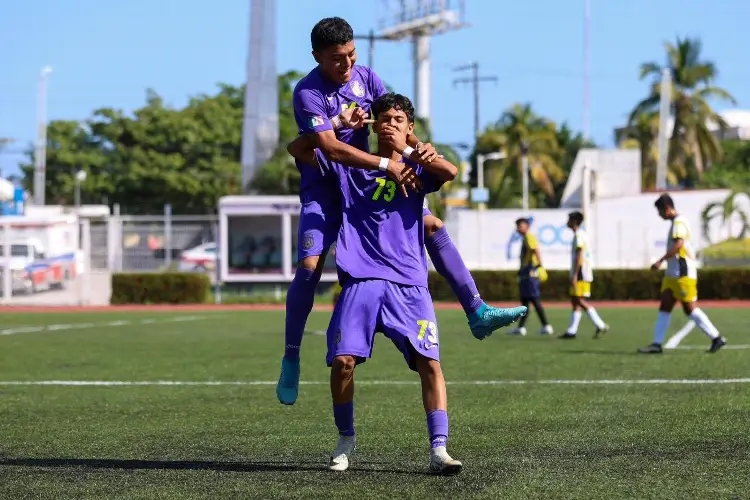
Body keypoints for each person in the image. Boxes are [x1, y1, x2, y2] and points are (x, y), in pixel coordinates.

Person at [277, 17, 525, 405]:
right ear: (317, 57)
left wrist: (418, 148)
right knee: (309, 266)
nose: (347, 65)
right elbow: (328, 148)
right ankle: (291, 356)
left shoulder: (366, 77)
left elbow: (395, 118)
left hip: (369, 181)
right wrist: (374, 154)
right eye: (337, 59)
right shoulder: (307, 92)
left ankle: (476, 310)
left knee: (431, 224)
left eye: (352, 54)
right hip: (328, 185)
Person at [290, 93, 521, 474]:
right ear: (373, 125)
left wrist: (412, 148)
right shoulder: (352, 164)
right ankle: (346, 437)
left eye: (398, 119)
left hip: (409, 283)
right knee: (344, 362)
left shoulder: (418, 168)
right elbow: (298, 148)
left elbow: (449, 172)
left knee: (430, 362)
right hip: (360, 279)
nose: (390, 123)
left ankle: (439, 449)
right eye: (383, 118)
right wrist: (339, 125)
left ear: (409, 126)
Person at [638, 194, 727, 354]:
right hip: (673, 274)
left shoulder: (679, 222)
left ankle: (716, 337)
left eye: (659, 211)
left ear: (666, 208)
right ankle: (656, 344)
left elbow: (679, 245)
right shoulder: (676, 222)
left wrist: (660, 260)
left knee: (690, 309)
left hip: (682, 274)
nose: (659, 215)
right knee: (665, 305)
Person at [560, 211, 609, 339]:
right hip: (580, 272)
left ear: (574, 221)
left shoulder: (579, 236)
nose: (567, 222)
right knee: (575, 301)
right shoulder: (579, 235)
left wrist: (575, 274)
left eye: (569, 219)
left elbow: (579, 255)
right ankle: (572, 331)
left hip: (581, 272)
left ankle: (600, 324)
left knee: (579, 300)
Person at [507, 218, 553, 336]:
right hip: (526, 272)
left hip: (530, 272)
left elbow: (535, 250)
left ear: (527, 226)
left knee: (533, 299)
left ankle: (546, 326)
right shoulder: (525, 238)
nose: (518, 228)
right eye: (517, 226)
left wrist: (539, 266)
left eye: (520, 225)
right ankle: (521, 327)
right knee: (526, 301)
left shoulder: (529, 236)